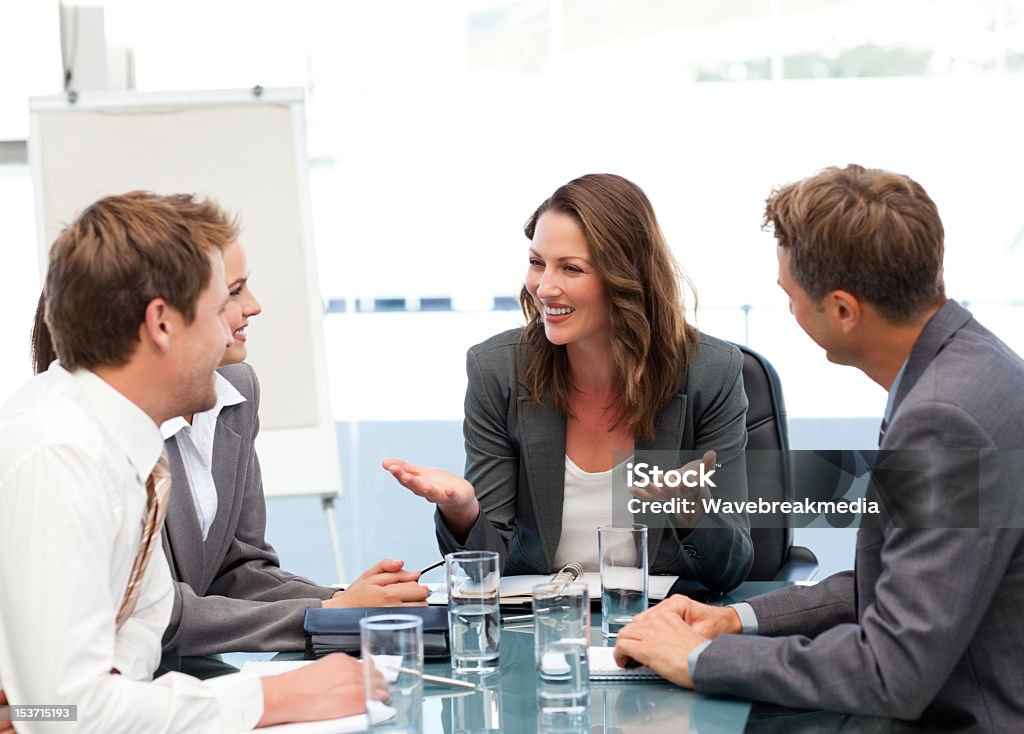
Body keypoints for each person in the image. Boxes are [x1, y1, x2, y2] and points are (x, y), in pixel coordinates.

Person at [612, 165, 1024, 730]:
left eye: (791, 295)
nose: (789, 310)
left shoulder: (943, 417)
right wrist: (735, 620)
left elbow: (890, 670)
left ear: (844, 310)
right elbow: (891, 586)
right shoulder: (964, 363)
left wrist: (699, 658)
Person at [0, 192, 384, 732]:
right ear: (161, 323)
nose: (231, 331)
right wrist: (273, 699)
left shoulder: (126, 446)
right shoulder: (59, 455)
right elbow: (65, 716)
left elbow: (137, 639)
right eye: (216, 309)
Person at [385, 173, 753, 591]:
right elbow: (487, 574)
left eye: (571, 268)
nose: (544, 287)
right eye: (537, 262)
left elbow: (731, 569)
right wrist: (464, 511)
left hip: (662, 620)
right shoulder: (497, 370)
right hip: (541, 621)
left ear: (627, 276)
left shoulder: (710, 371)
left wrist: (693, 515)